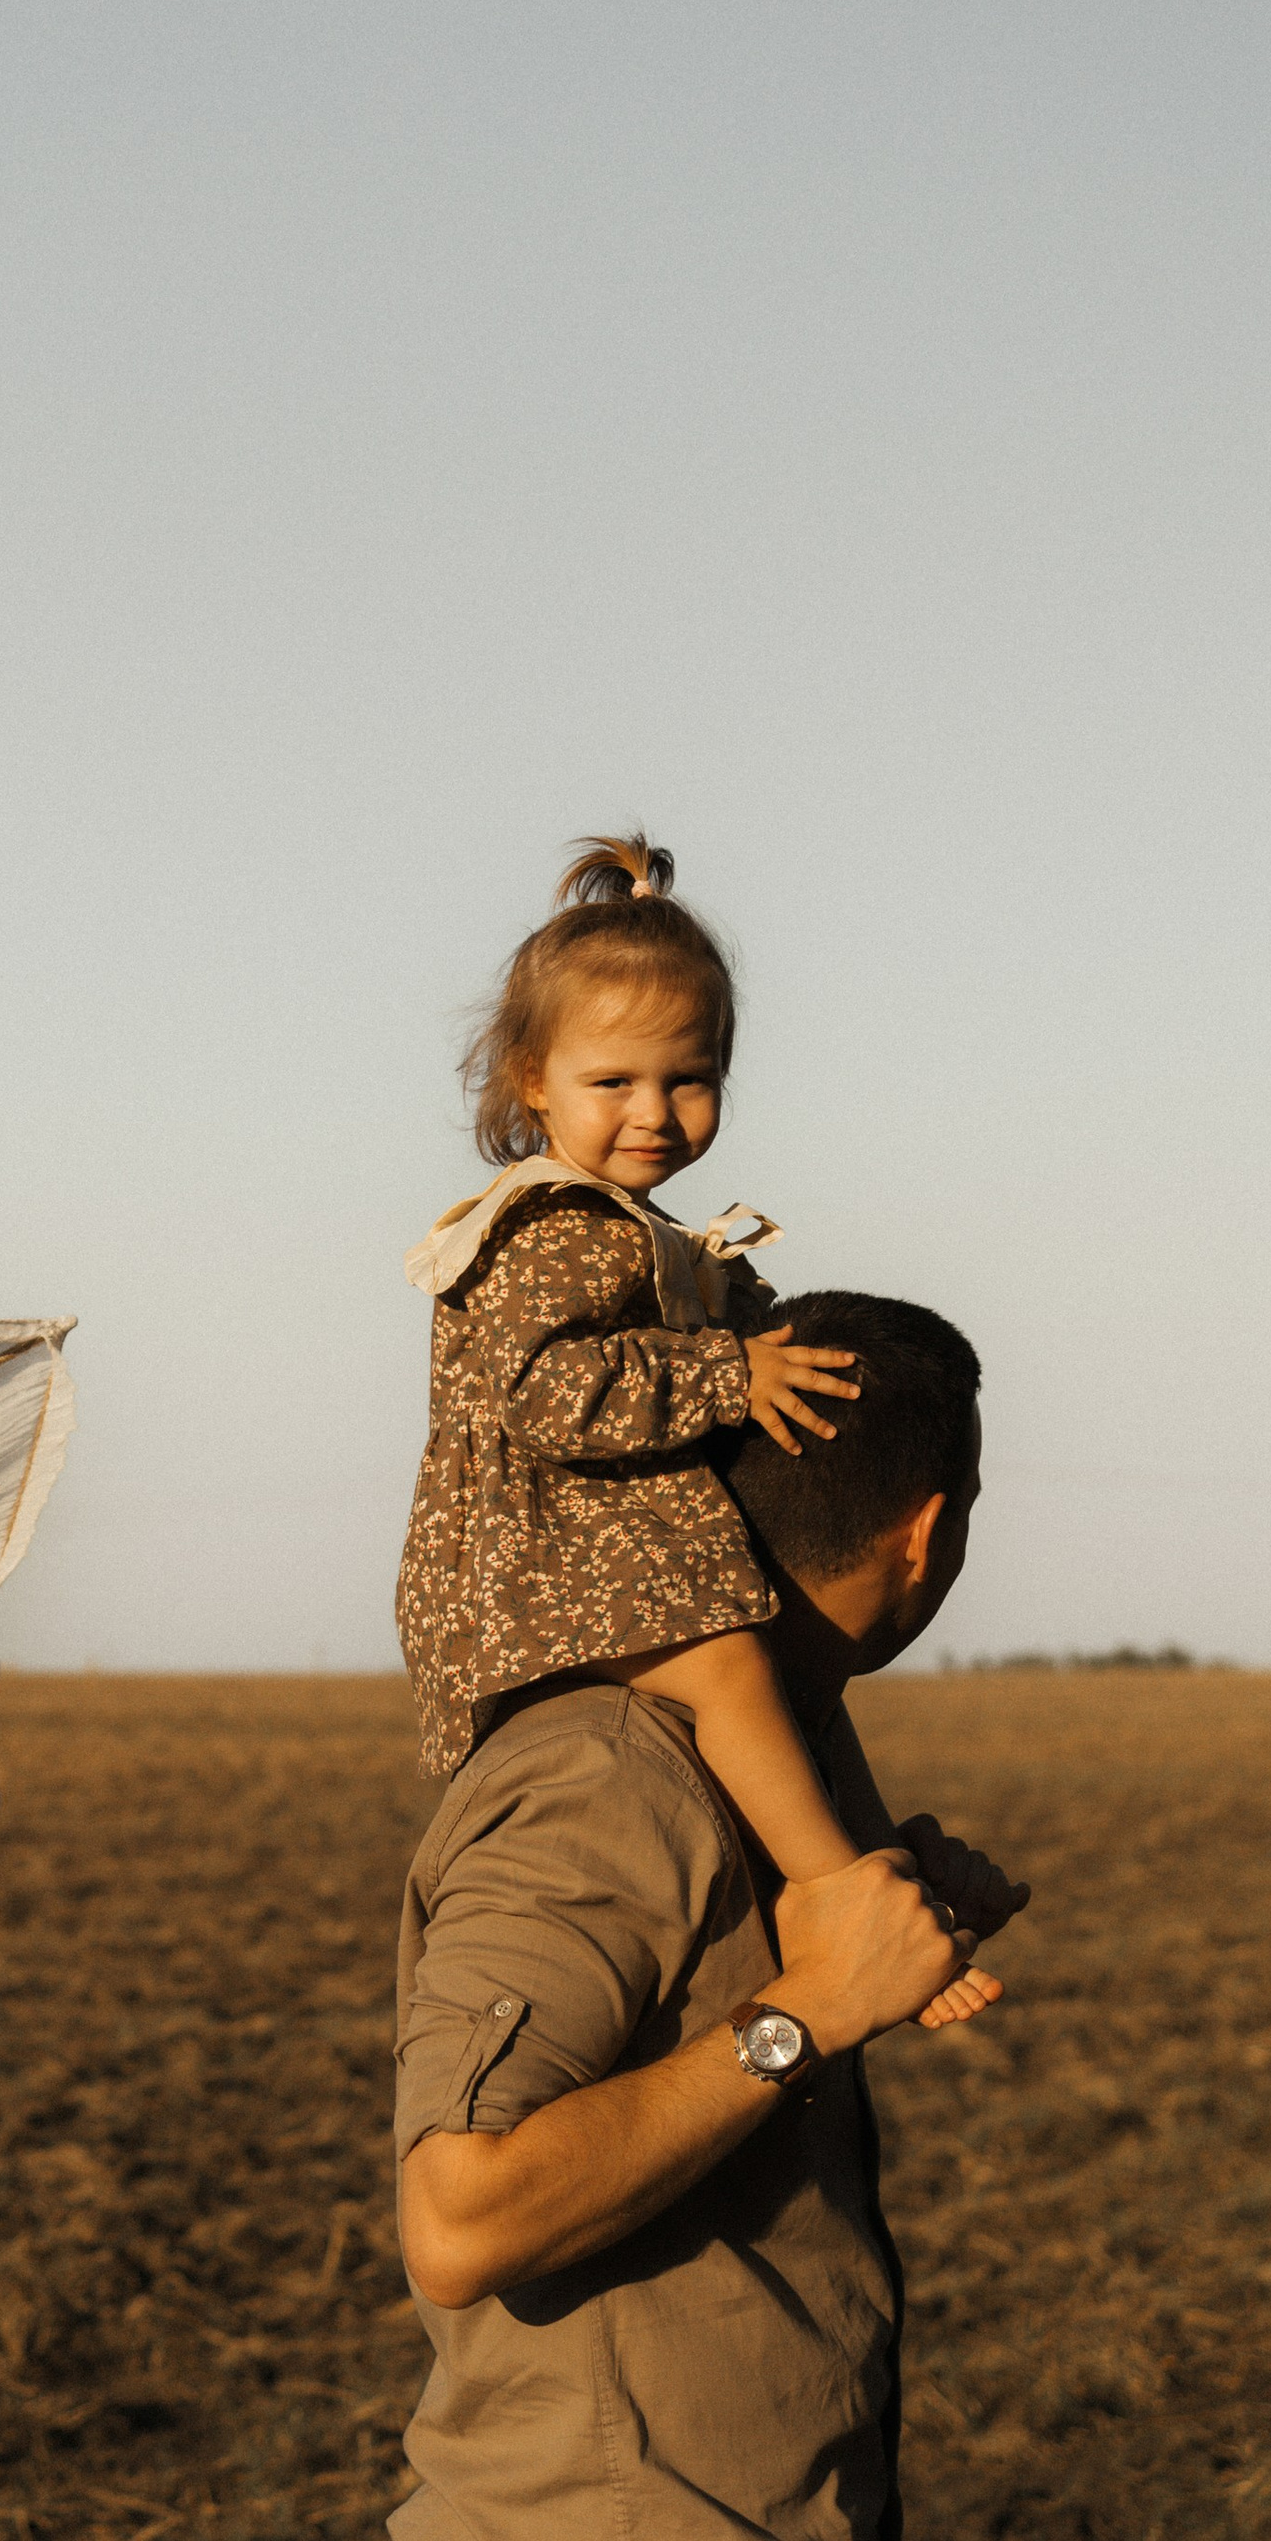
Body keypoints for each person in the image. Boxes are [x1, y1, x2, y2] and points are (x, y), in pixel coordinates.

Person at [392, 1293, 1026, 2541]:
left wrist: (849, 1930)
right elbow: (459, 2207)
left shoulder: (745, 1773)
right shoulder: (606, 1767)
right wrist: (793, 2019)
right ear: (920, 1535)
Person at [395, 839, 987, 2032]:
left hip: (609, 1550)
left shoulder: (638, 1227)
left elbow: (701, 1335)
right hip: (540, 1562)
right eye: (614, 1082)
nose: (655, 1114)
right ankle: (834, 1893)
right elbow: (546, 1394)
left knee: (783, 1688)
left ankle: (889, 1886)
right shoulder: (552, 1226)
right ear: (530, 1080)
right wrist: (730, 1370)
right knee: (729, 1672)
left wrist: (764, 1338)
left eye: (690, 1079)